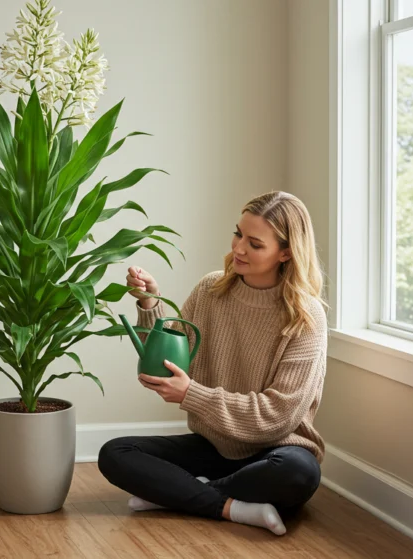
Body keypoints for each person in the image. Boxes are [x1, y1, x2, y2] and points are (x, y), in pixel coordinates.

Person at [98, 191, 328, 536]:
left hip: (275, 452)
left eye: (255, 243)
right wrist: (150, 302)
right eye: (238, 234)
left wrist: (193, 395)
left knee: (299, 474)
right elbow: (164, 362)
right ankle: (230, 505)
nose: (238, 249)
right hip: (214, 445)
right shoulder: (211, 290)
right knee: (115, 452)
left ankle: (182, 492)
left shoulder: (306, 317)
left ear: (286, 252)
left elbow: (279, 416)